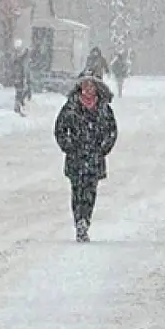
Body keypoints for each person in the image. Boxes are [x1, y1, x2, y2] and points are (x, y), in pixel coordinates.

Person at [53, 75, 118, 243]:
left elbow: (112, 131)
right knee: (77, 191)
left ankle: (86, 220)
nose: (88, 89)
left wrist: (103, 148)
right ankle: (79, 222)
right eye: (85, 85)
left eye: (91, 85)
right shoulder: (71, 107)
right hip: (76, 158)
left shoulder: (104, 108)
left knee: (90, 192)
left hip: (95, 157)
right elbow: (60, 129)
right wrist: (68, 146)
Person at [12, 40, 30, 115]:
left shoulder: (18, 60)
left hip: (20, 78)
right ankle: (17, 107)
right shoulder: (18, 60)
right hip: (19, 78)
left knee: (21, 92)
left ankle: (18, 106)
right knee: (20, 93)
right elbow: (19, 60)